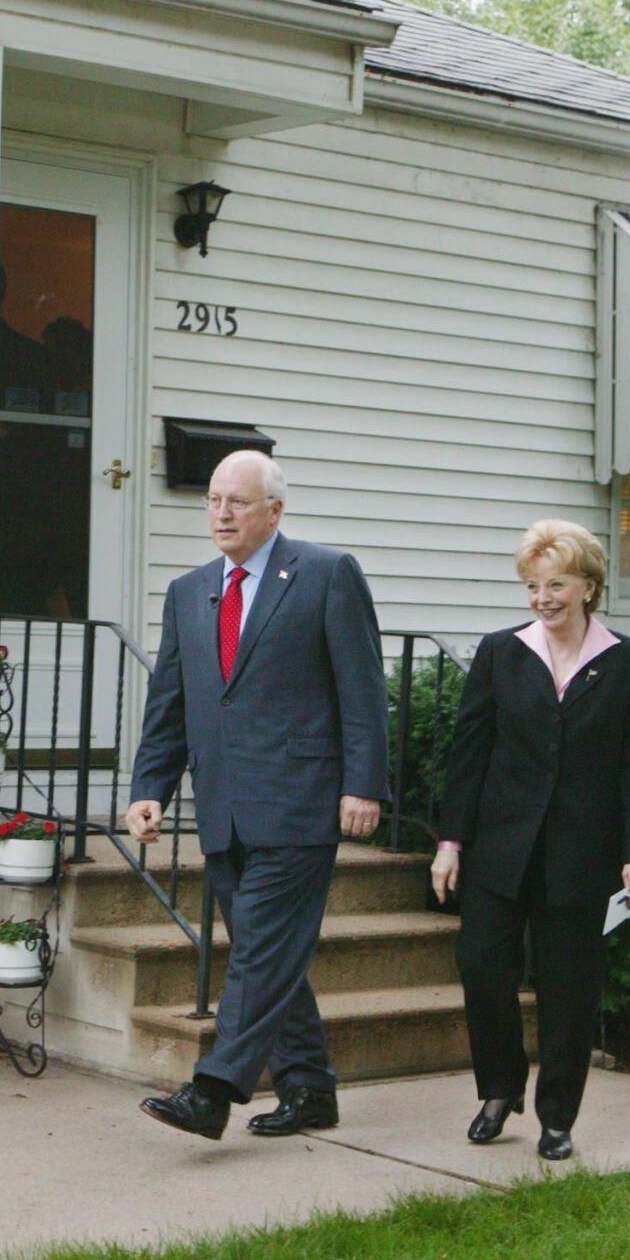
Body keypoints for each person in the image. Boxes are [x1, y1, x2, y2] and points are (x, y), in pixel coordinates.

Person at [125, 450, 390, 1140]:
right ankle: (309, 1087)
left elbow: (363, 691)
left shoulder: (326, 573)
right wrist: (149, 786)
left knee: (258, 952)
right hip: (222, 807)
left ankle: (212, 1089)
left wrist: (364, 783)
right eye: (214, 499)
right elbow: (170, 699)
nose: (221, 513)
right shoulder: (189, 592)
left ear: (274, 509)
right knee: (267, 955)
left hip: (300, 801)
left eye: (237, 501)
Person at [430, 519, 630, 1161]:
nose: (542, 597)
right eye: (533, 585)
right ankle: (498, 1089)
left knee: (569, 987)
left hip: (581, 855)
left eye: (556, 583)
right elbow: (469, 756)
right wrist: (450, 842)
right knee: (482, 969)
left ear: (588, 586)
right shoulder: (501, 651)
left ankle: (557, 1116)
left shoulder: (629, 663)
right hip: (498, 850)